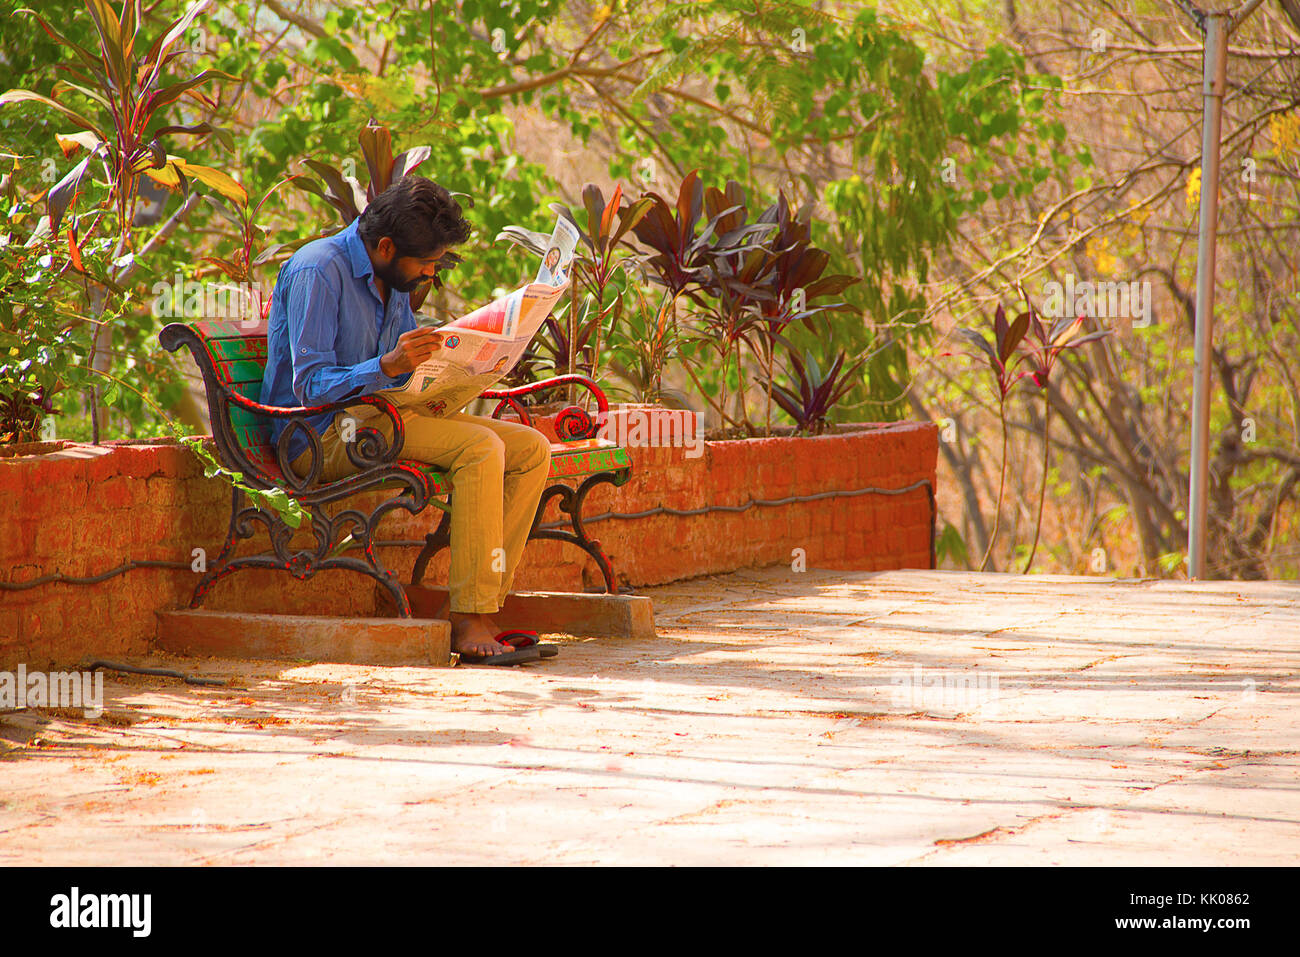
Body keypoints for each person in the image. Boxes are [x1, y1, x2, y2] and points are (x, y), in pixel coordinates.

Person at [259, 175, 553, 664]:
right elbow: (308, 387)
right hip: (320, 435)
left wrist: (461, 371)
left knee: (529, 449)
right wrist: (387, 366)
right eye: (426, 263)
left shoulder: (392, 276)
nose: (430, 275)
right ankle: (469, 615)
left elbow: (405, 372)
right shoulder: (318, 269)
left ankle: (486, 603)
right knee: (481, 449)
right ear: (387, 245)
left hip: (383, 417)